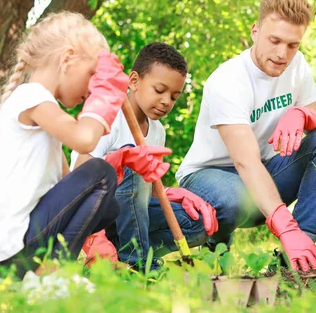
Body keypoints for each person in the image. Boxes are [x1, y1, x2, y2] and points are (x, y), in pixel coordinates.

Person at [175, 0, 316, 271]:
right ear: (255, 31)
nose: (282, 54)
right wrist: (284, 227)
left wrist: (303, 114)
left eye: (293, 45)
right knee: (231, 198)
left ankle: (300, 256)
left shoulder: (297, 67)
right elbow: (245, 160)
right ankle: (214, 251)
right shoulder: (228, 80)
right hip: (211, 176)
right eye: (275, 40)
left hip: (265, 172)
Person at [0, 12, 129, 278]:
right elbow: (84, 140)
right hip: (7, 250)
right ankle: (55, 272)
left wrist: (121, 158)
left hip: (19, 247)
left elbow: (74, 185)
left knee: (109, 204)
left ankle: (48, 270)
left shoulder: (45, 113)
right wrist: (104, 98)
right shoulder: (32, 96)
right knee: (102, 174)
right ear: (67, 59)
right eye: (93, 75)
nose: (93, 89)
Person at [72, 43, 217, 270]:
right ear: (134, 80)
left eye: (174, 96)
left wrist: (168, 193)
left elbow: (141, 191)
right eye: (159, 90)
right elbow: (79, 177)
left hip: (128, 218)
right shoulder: (107, 117)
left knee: (196, 222)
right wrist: (94, 239)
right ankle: (139, 265)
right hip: (94, 216)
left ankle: (128, 256)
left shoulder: (158, 130)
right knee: (132, 162)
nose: (166, 101)